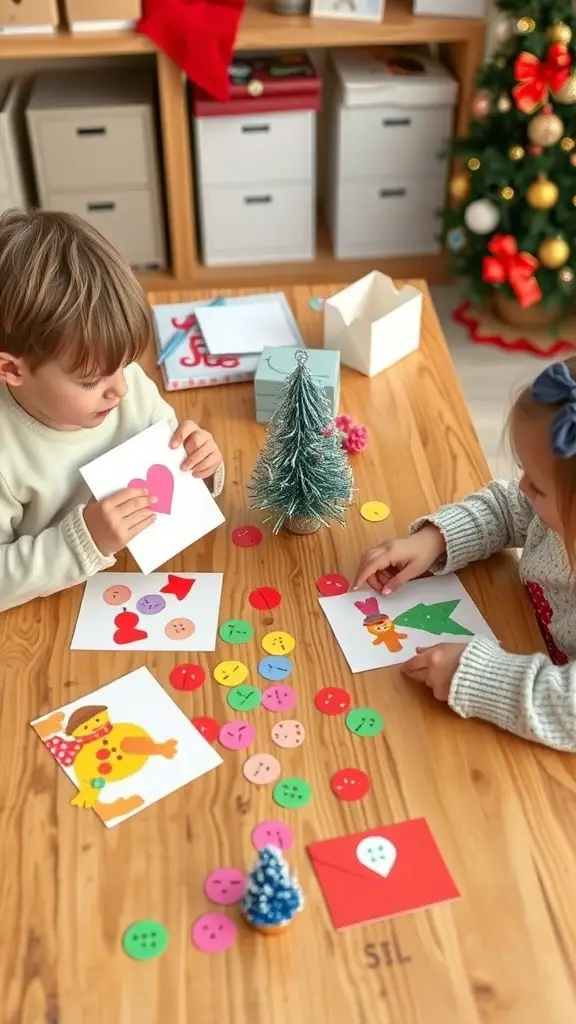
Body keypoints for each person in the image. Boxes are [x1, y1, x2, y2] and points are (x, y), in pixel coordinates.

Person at [0, 208, 224, 613]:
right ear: (11, 370)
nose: (120, 389)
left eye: (124, 365)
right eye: (91, 381)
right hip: (44, 618)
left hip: (138, 586)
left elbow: (172, 476)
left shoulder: (126, 386)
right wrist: (85, 539)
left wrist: (202, 468)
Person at [353, 358, 576, 752]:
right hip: (525, 634)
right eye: (523, 469)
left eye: (538, 485)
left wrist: (477, 674)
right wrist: (436, 538)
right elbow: (511, 506)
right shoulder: (553, 505)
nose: (522, 485)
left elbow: (569, 709)